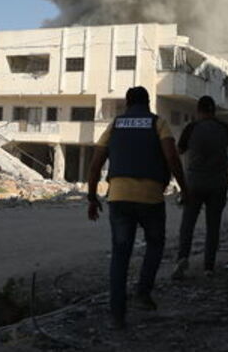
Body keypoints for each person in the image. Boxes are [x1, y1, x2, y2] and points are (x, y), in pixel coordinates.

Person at [87, 86, 186, 330]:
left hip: (119, 197)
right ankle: (143, 292)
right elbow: (172, 157)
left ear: (127, 103)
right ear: (148, 102)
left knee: (120, 255)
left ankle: (117, 315)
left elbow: (95, 163)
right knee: (155, 244)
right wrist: (185, 187)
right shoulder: (158, 123)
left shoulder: (115, 125)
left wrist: (91, 197)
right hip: (151, 198)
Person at [173, 95, 228, 279]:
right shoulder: (224, 127)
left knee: (188, 224)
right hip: (218, 183)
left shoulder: (191, 128)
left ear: (198, 111)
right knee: (213, 226)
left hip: (194, 182)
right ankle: (208, 267)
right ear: (214, 111)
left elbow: (180, 150)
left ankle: (182, 258)